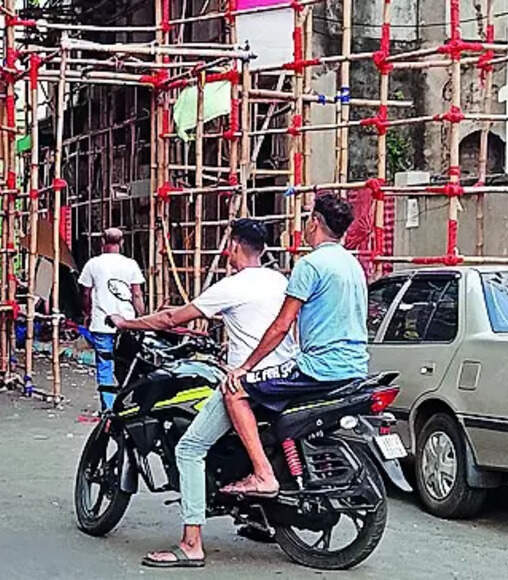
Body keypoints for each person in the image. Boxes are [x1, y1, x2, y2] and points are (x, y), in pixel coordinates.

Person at [109, 218, 298, 568]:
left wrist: (127, 323)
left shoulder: (232, 286)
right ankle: (258, 517)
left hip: (250, 381)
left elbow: (169, 319)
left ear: (235, 247)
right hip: (285, 376)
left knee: (190, 448)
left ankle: (191, 543)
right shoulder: (279, 280)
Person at [218, 191, 369, 497]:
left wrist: (245, 367)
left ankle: (262, 474)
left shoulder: (310, 265)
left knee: (236, 392)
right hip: (355, 366)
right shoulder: (353, 265)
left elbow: (282, 325)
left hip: (319, 368)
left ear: (315, 222)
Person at [77, 228, 146, 411]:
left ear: (102, 242)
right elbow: (137, 294)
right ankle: (131, 403)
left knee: (105, 364)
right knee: (129, 363)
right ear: (122, 243)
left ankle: (108, 408)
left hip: (102, 322)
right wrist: (142, 318)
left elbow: (86, 293)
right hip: (127, 322)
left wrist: (87, 313)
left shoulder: (93, 264)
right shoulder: (130, 264)